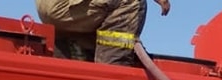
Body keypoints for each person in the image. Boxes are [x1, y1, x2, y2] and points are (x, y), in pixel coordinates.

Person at [34, 0, 171, 66]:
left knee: (102, 17)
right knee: (132, 1)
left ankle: (75, 56)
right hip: (63, 5)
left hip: (50, 6)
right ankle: (112, 70)